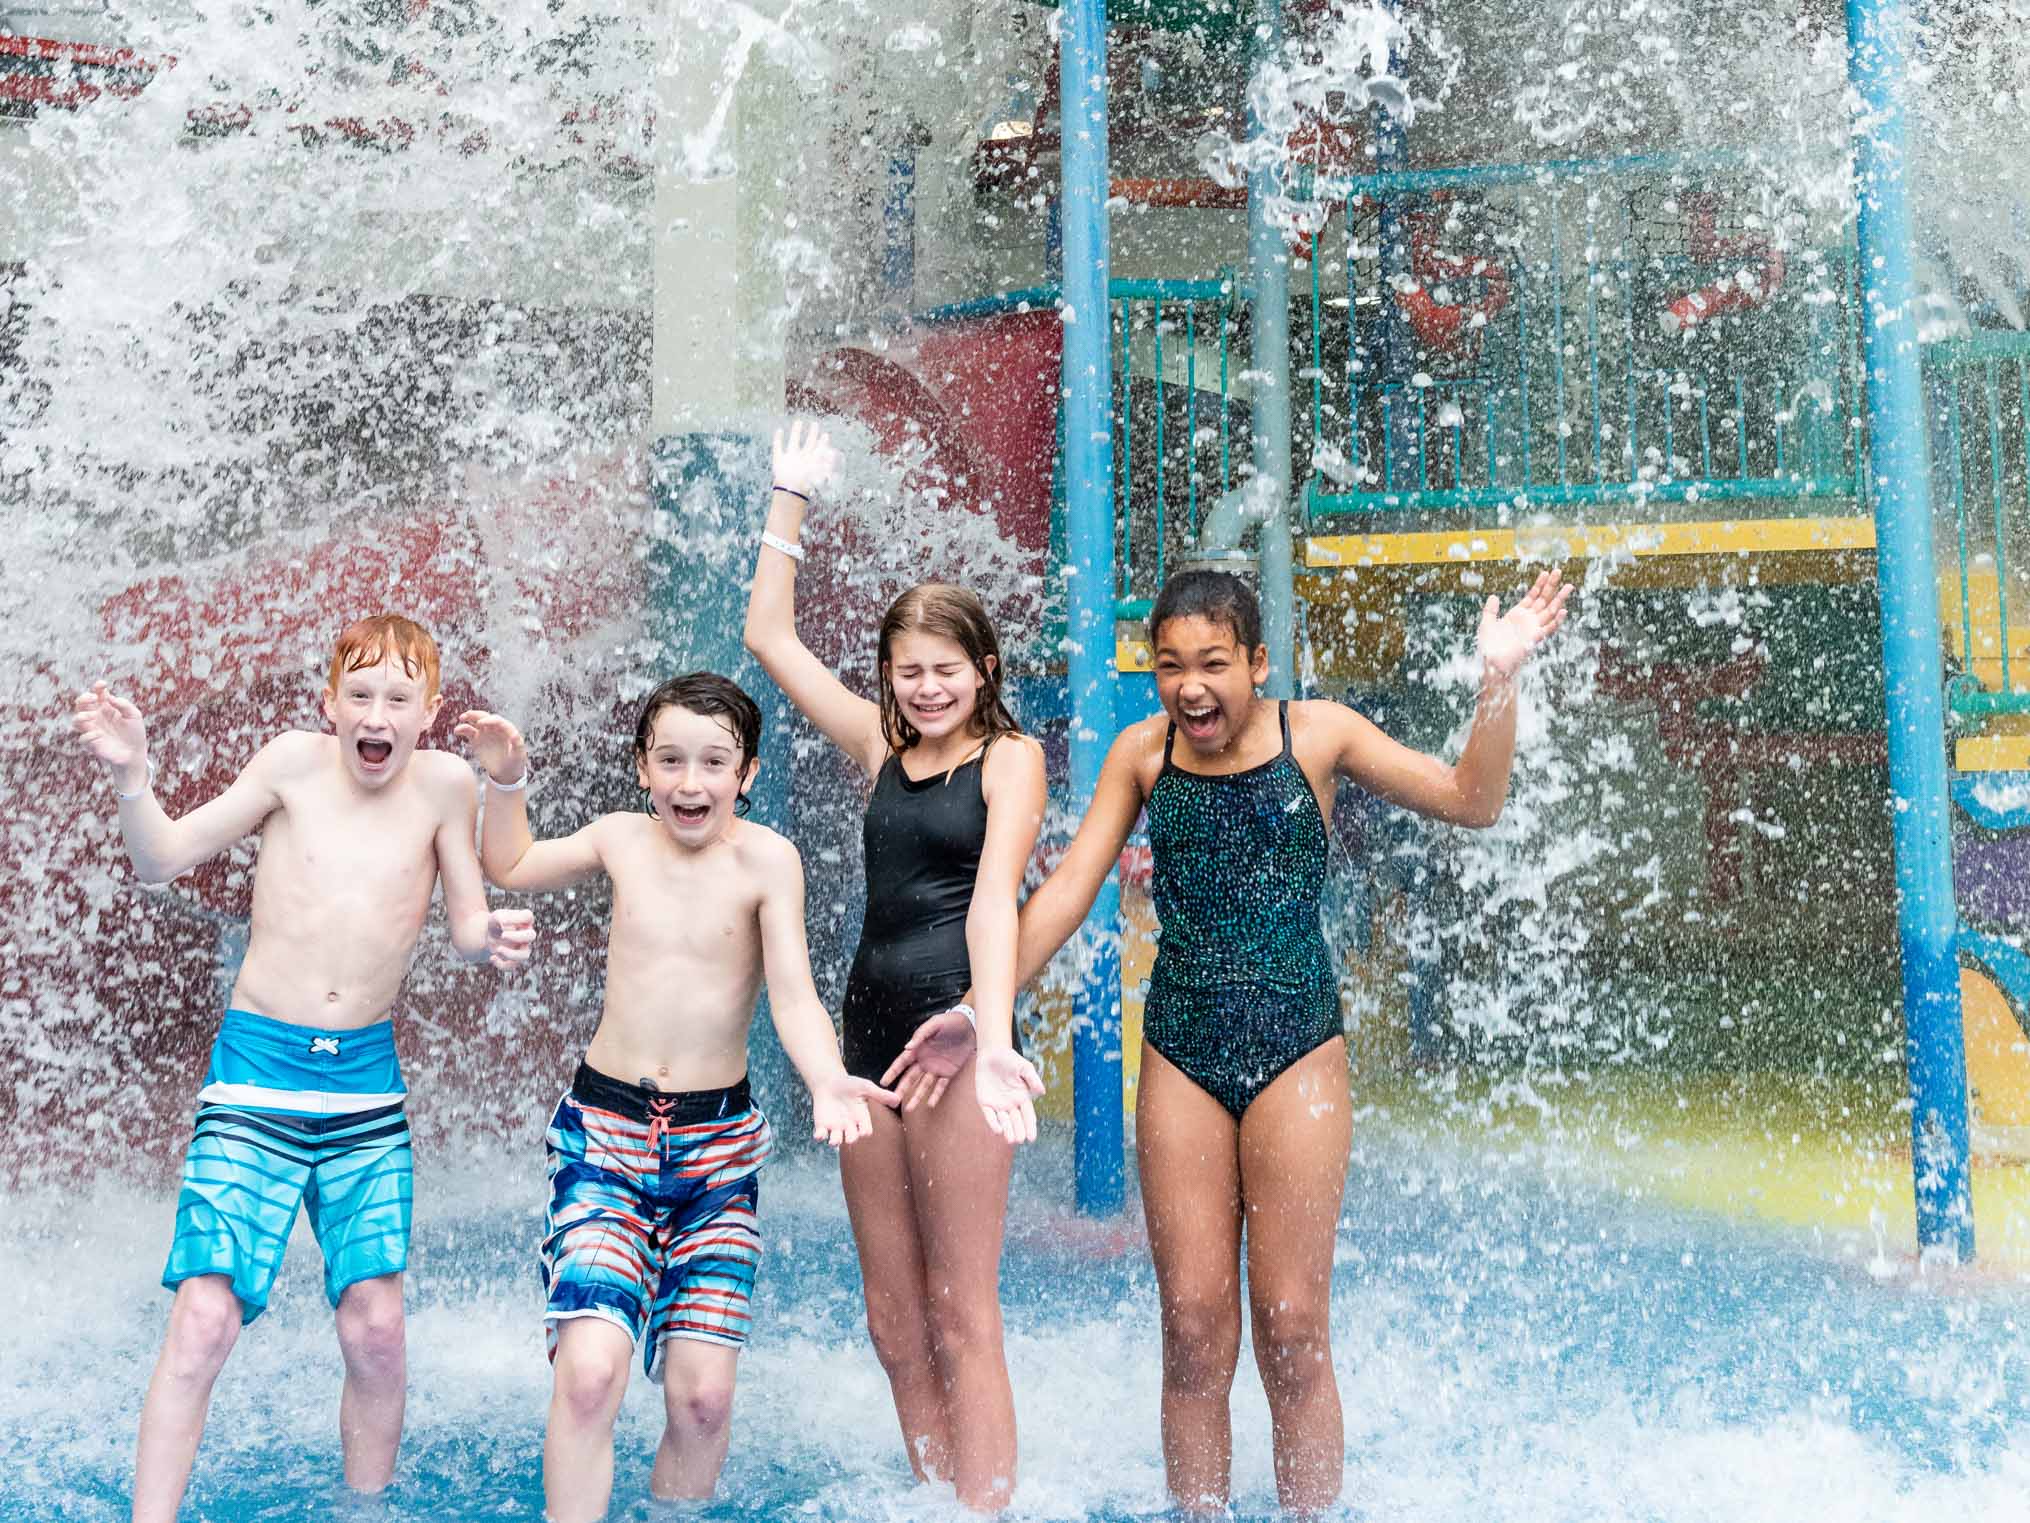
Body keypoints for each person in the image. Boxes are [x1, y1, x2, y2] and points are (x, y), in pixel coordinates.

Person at [994, 566, 1568, 1515]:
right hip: (1182, 1049)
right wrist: (983, 1009)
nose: (1191, 686)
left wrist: (1497, 676)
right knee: (1191, 1326)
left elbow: (1473, 798)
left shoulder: (1321, 733)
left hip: (1297, 1049)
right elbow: (1064, 891)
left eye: (1213, 663)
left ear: (1258, 662)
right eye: (1168, 664)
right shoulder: (1143, 756)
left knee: (1295, 1324)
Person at [69, 613, 537, 1523]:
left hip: (364, 1086)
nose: (377, 712)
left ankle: (364, 1509)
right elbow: (160, 859)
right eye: (359, 695)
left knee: (377, 1330)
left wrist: (492, 939)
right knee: (205, 1318)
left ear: (429, 712)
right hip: (256, 1076)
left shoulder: (445, 785)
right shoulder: (289, 763)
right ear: (330, 704)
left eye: (398, 698)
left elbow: (466, 923)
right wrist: (134, 777)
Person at [458, 671, 898, 1523]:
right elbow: (508, 862)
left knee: (703, 1400)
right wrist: (506, 782)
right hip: (605, 1137)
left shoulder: (769, 860)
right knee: (589, 1375)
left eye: (713, 762)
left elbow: (794, 992)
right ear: (642, 766)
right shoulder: (622, 839)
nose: (690, 782)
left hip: (716, 1155)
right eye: (670, 760)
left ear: (750, 773)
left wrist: (825, 1076)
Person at [740, 420, 1048, 1510]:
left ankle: (988, 1505)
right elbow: (768, 637)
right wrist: (790, 498)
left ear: (983, 670)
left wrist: (990, 1028)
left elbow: (994, 904)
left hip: (959, 1042)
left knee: (965, 1307)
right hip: (867, 1034)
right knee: (892, 1314)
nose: (925, 689)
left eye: (944, 670)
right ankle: (934, 1497)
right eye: (907, 671)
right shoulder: (880, 746)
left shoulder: (1010, 758)